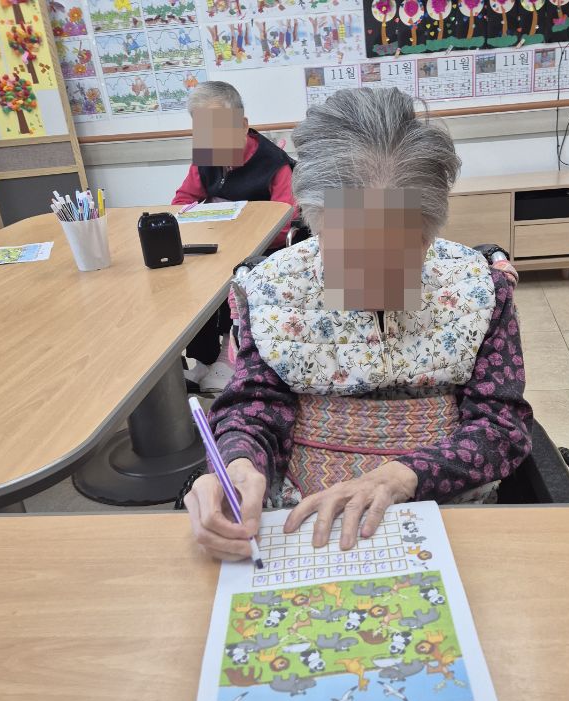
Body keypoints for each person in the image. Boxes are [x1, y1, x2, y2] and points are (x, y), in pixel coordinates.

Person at [184, 87, 533, 561]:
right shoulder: (272, 290)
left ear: (431, 232)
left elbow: (501, 426)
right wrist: (239, 461)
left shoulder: (479, 289)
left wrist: (402, 476)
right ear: (313, 222)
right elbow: (254, 405)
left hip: (446, 510)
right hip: (300, 522)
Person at [173, 81, 297, 392]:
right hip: (218, 244)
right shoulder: (205, 158)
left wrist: (240, 234)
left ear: (242, 125)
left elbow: (286, 223)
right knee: (192, 278)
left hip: (262, 251)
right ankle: (204, 359)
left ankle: (231, 358)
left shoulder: (274, 163)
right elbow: (182, 201)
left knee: (236, 277)